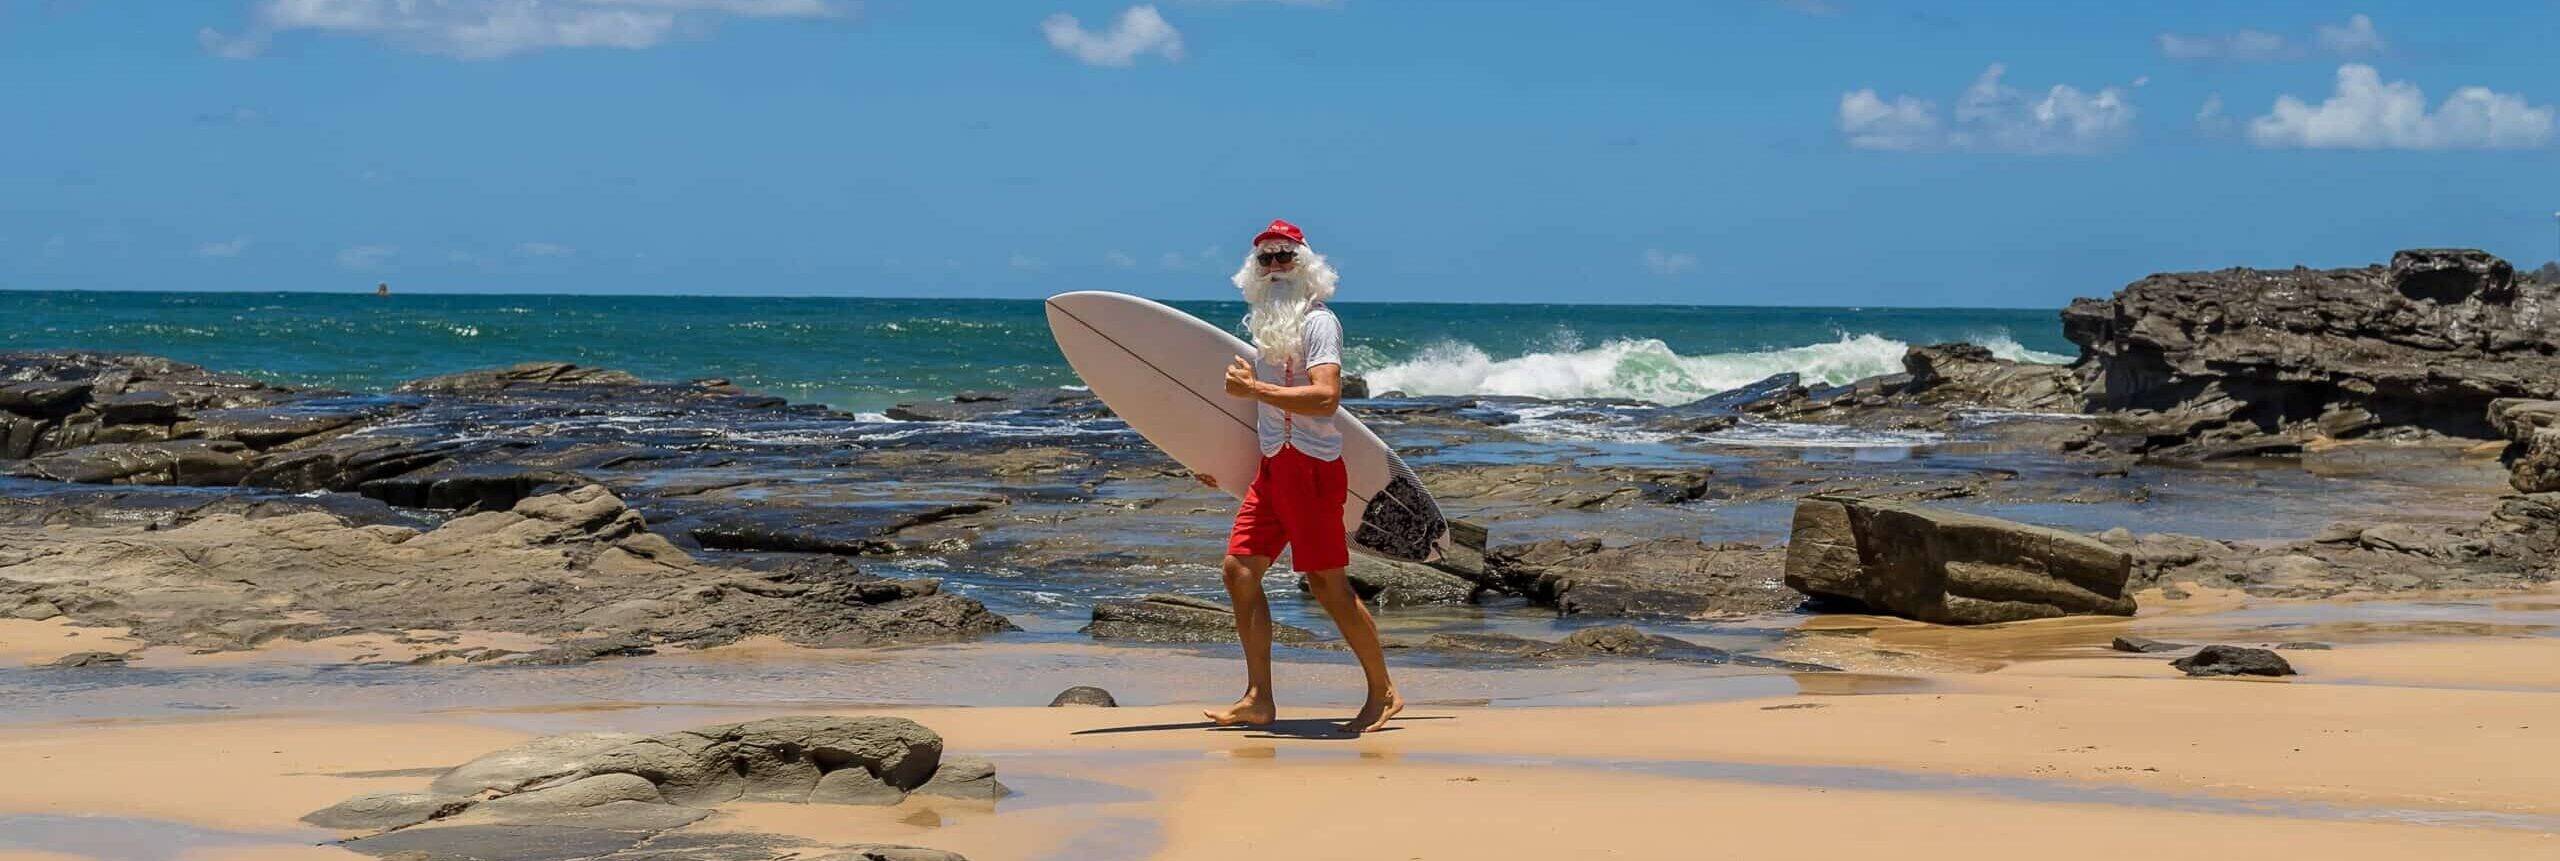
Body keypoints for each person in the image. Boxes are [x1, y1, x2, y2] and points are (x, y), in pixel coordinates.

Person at [1197, 218, 1403, 734]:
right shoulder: (1267, 333)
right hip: (1272, 469)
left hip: (1312, 469)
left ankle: (1384, 692)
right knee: (1239, 571)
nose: (1274, 267)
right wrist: (1219, 463)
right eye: (1265, 259)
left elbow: (1326, 397)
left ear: (1305, 265)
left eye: (1284, 257)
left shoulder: (1319, 324)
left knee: (1328, 585)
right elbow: (1254, 416)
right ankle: (1258, 698)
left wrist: (1255, 392)